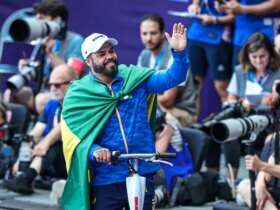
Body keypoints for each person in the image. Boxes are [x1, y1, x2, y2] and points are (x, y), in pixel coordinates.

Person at [60, 23, 189, 210]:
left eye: (111, 51)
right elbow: (75, 138)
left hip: (143, 172)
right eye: (101, 54)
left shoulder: (134, 78)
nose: (109, 56)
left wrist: (179, 53)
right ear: (88, 61)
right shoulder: (78, 93)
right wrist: (95, 151)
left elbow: (172, 78)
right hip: (106, 178)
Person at [3, 64, 78, 194]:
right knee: (29, 140)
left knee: (54, 143)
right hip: (50, 160)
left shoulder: (80, 105)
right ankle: (22, 175)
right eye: (51, 85)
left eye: (57, 85)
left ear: (72, 84)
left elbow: (62, 129)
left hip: (72, 162)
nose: (53, 89)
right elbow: (36, 132)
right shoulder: (52, 104)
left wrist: (45, 144)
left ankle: (27, 179)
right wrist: (21, 158)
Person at [4, 0, 84, 111]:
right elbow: (45, 77)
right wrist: (29, 68)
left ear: (57, 20)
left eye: (42, 17)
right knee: (12, 94)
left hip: (70, 95)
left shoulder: (76, 41)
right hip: (47, 91)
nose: (37, 21)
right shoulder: (44, 40)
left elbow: (73, 74)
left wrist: (50, 54)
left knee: (41, 100)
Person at [137, 13, 198, 127]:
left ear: (162, 34)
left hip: (181, 112)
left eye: (153, 33)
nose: (148, 38)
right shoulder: (144, 55)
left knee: (149, 120)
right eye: (144, 34)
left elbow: (168, 100)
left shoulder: (174, 56)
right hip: (156, 107)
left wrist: (140, 97)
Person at [187, 0, 234, 106]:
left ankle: (228, 122)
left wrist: (215, 19)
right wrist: (195, 5)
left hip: (219, 38)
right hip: (196, 34)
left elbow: (236, 16)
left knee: (222, 87)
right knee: (194, 86)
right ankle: (191, 122)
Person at [222, 0, 280, 67]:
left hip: (266, 33)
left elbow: (276, 5)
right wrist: (226, 6)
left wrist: (243, 8)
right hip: (241, 35)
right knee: (240, 73)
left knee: (271, 73)